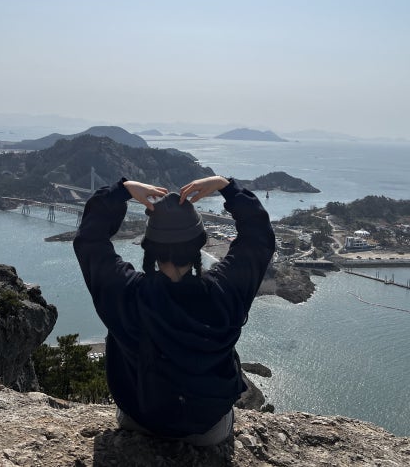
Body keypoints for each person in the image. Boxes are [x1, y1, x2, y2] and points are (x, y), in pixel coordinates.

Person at [73, 175, 275, 445]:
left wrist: (119, 191)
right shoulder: (225, 291)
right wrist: (227, 187)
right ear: (199, 244)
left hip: (139, 419)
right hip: (207, 430)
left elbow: (89, 240)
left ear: (150, 247)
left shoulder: (126, 293)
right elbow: (258, 238)